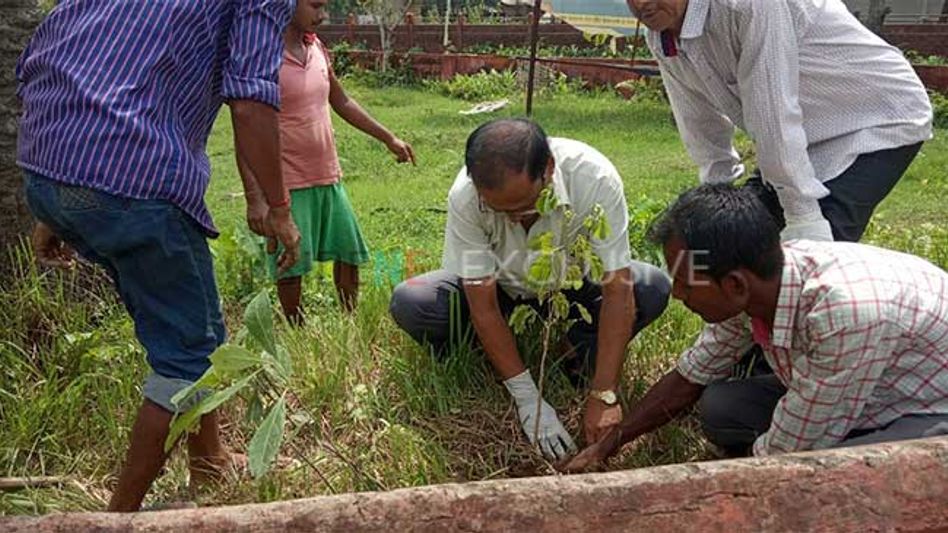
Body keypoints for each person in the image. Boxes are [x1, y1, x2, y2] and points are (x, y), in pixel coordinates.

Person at [17, 1, 301, 511]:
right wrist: (279, 208)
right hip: (134, 183)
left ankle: (209, 461)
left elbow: (67, 49)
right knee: (186, 358)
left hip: (47, 161)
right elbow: (251, 102)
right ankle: (119, 515)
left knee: (197, 319)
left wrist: (55, 206)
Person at [562, 183, 948, 471]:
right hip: (862, 388)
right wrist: (612, 441)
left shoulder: (845, 313)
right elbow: (692, 374)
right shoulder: (757, 285)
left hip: (926, 408)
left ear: (734, 285)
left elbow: (782, 457)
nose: (677, 295)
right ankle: (840, 428)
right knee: (721, 407)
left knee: (860, 474)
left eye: (684, 284)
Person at [389, 119, 671, 460]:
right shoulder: (466, 196)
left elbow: (617, 290)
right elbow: (483, 305)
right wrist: (527, 399)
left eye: (524, 206)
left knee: (651, 287)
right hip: (504, 290)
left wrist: (604, 393)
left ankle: (577, 351)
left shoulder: (594, 179)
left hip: (573, 286)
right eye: (498, 210)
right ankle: (494, 362)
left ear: (548, 169)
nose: (512, 219)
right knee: (414, 302)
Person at [625, 0, 933, 242]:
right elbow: (697, 119)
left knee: (814, 252)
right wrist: (715, 198)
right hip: (803, 135)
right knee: (739, 239)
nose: (642, 4)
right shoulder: (662, 37)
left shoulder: (748, 6)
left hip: (877, 119)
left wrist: (803, 217)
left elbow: (772, 109)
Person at [238, 0, 415, 322]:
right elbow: (246, 128)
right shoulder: (262, 53)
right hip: (286, 184)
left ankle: (350, 321)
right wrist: (255, 198)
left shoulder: (316, 45)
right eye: (316, 6)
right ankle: (296, 327)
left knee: (348, 252)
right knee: (291, 263)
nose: (322, 15)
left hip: (328, 176)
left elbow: (342, 101)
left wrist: (388, 138)